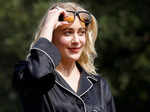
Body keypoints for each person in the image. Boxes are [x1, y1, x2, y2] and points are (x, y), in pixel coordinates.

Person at [13, 2, 116, 112]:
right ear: (51, 36)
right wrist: (48, 25)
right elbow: (38, 74)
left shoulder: (99, 85)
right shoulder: (26, 73)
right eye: (68, 33)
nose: (76, 40)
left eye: (81, 33)